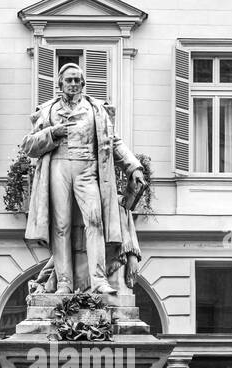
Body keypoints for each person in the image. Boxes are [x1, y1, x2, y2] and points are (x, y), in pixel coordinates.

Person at [21, 63, 146, 295]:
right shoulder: (48, 110)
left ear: (83, 83)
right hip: (59, 167)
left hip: (88, 169)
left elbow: (114, 142)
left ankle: (98, 280)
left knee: (95, 222)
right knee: (61, 227)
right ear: (60, 84)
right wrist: (52, 133)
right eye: (69, 80)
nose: (73, 84)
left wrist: (134, 167)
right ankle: (65, 283)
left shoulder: (96, 109)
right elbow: (28, 145)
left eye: (77, 80)